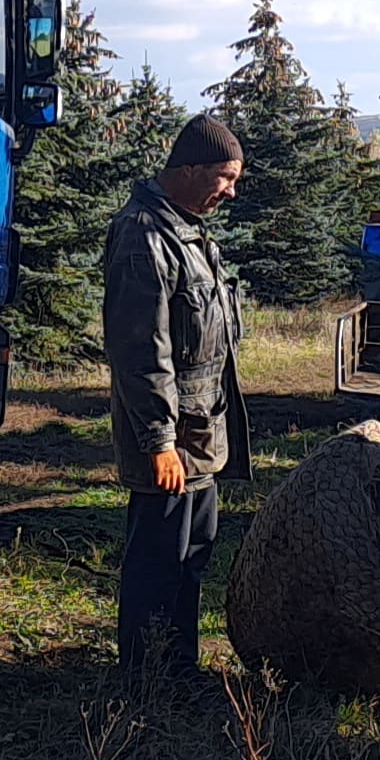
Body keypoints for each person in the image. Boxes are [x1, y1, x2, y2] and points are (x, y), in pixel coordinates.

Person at [104, 112, 254, 687]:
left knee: (192, 555)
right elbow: (142, 353)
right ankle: (145, 680)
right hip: (171, 440)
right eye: (225, 177)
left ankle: (179, 669)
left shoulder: (188, 232)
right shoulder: (144, 236)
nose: (231, 192)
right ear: (189, 169)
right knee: (157, 560)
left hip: (201, 435)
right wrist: (159, 441)